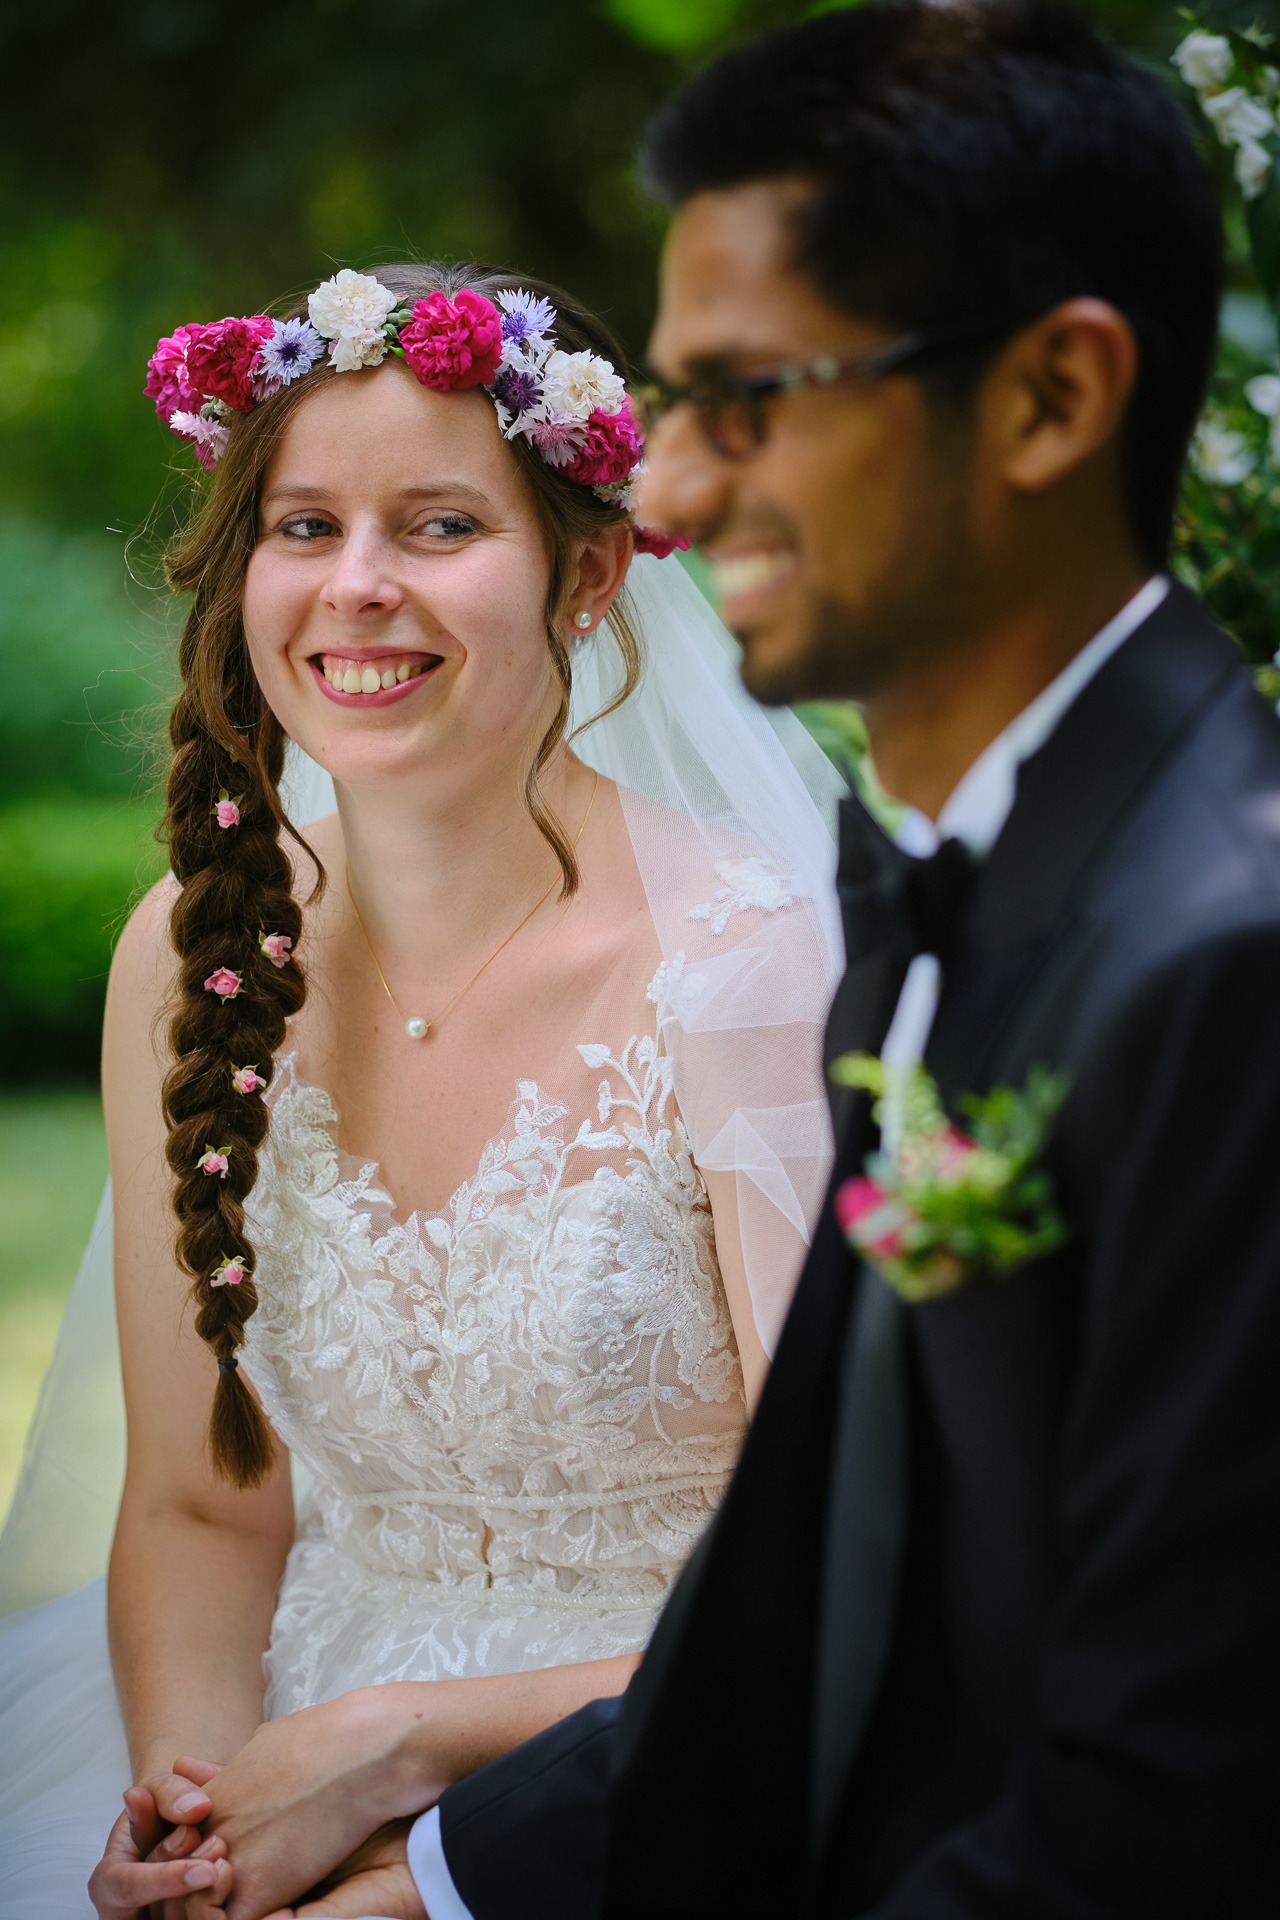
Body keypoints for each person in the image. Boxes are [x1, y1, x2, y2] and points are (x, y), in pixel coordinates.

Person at [174, 4, 1280, 1917]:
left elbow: (1172, 1789)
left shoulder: (1222, 955)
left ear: (1050, 399)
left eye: (755, 399)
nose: (664, 499)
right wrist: (427, 1865)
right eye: (670, 406)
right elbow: (839, 1614)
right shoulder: (960, 894)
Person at [0, 262, 845, 1918]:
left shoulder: (756, 971)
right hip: (282, 1753)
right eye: (304, 528)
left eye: (440, 528)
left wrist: (397, 1778)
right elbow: (195, 1502)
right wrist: (206, 1820)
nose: (357, 588)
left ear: (588, 571)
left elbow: (838, 1578)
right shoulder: (194, 956)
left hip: (665, 1792)